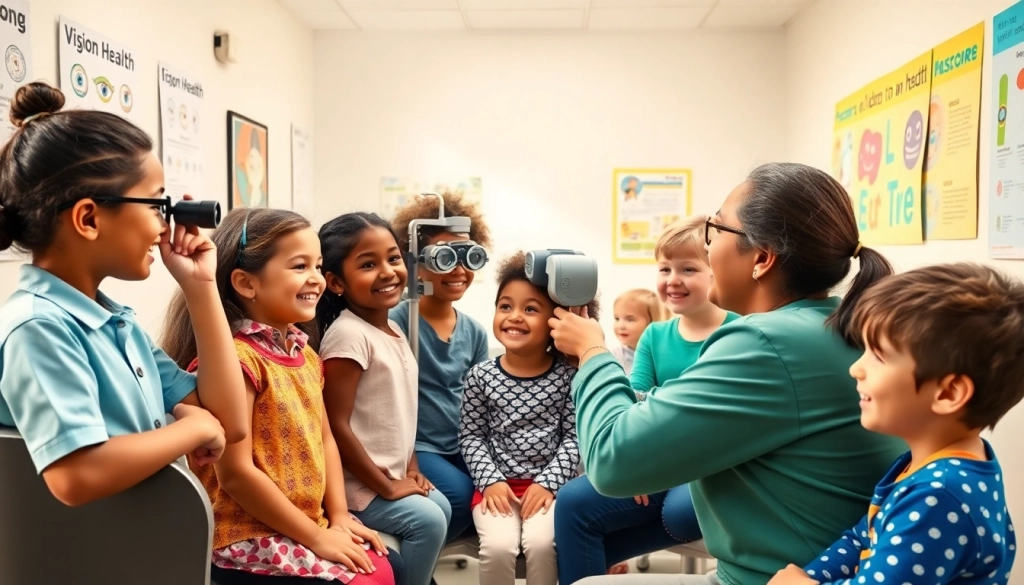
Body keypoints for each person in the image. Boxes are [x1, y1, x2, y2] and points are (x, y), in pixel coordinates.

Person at [549, 162, 907, 585]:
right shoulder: (836, 325)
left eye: (715, 230)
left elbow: (612, 461)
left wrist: (592, 352)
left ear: (762, 258)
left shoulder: (767, 342)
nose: (707, 247)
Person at [0, 81, 246, 507]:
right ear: (89, 219)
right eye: (155, 205)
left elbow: (230, 422)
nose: (164, 225)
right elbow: (76, 474)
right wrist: (189, 428)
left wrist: (201, 287)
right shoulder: (38, 327)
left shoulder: (116, 323)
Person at [163, 208, 397, 584]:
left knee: (387, 569)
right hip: (247, 533)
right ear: (246, 282)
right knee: (374, 578)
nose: (316, 279)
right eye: (299, 266)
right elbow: (235, 475)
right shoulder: (238, 361)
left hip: (305, 523)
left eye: (318, 266)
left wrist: (338, 517)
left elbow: (325, 439)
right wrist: (318, 537)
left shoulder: (303, 353)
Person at [769, 263, 1024, 585]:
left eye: (878, 356)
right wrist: (808, 576)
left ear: (948, 393)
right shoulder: (934, 467)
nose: (856, 370)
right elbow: (860, 540)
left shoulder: (939, 494)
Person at [556, 217, 738, 583]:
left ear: (715, 273)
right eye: (665, 268)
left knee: (681, 514)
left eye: (688, 269)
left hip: (708, 466)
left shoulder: (738, 330)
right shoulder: (655, 335)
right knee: (573, 503)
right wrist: (636, 463)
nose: (673, 279)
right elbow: (634, 401)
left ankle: (603, 557)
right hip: (659, 457)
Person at [316, 212, 451, 585]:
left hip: (388, 474)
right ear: (336, 283)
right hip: (358, 486)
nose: (388, 271)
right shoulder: (348, 337)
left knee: (441, 504)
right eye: (368, 264)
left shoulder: (391, 328)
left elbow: (400, 409)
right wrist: (387, 486)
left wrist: (410, 466)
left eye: (393, 258)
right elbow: (335, 425)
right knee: (429, 519)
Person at [459, 251, 595, 585]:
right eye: (505, 306)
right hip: (495, 488)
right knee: (498, 548)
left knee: (543, 544)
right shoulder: (480, 376)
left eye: (530, 309)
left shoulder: (568, 376)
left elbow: (573, 438)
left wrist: (548, 484)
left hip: (550, 489)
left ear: (556, 320)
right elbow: (471, 437)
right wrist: (490, 480)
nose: (514, 317)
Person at [389, 191, 492, 543]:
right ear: (414, 261)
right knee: (461, 499)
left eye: (468, 257)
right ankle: (411, 563)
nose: (459, 270)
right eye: (445, 258)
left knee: (496, 495)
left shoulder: (474, 332)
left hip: (462, 443)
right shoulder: (397, 322)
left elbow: (482, 401)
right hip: (421, 446)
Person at [607, 289, 665, 377]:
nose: (621, 326)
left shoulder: (663, 355)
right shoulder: (613, 358)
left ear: (652, 322)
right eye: (617, 319)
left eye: (630, 320)